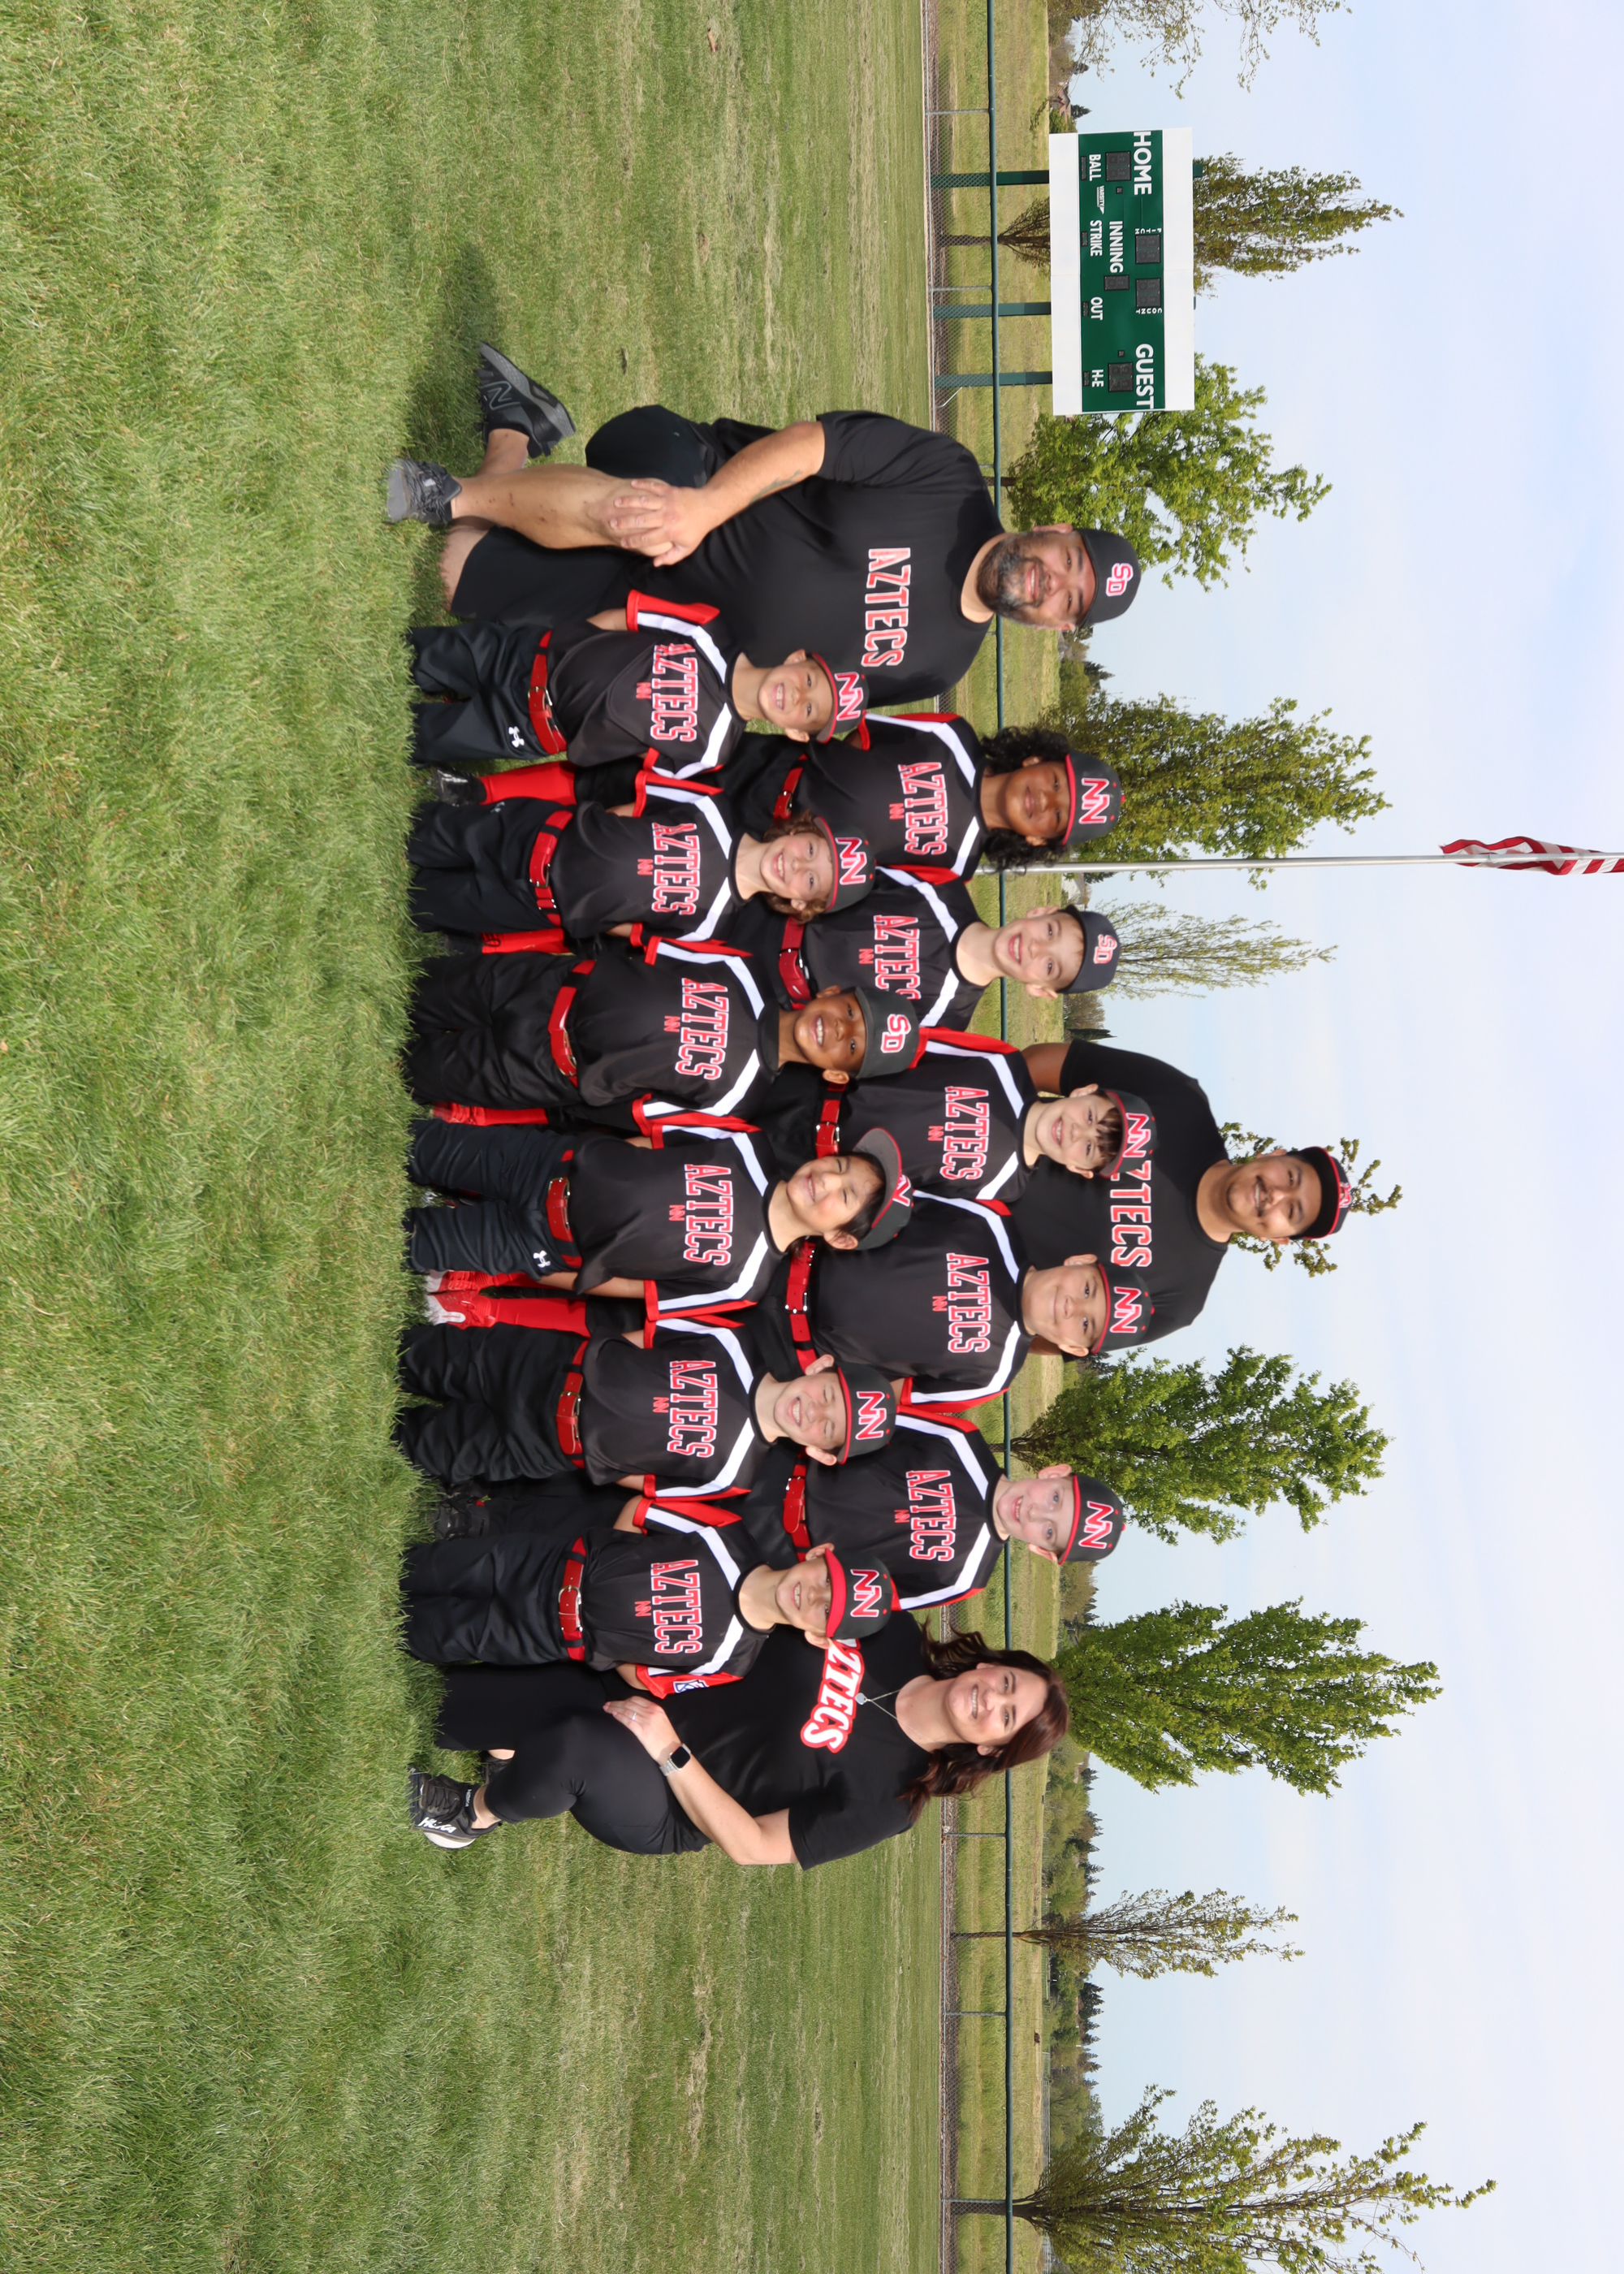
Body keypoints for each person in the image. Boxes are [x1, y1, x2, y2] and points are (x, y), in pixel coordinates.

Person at [387, 356, 1144, 703]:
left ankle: (518, 428)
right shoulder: (949, 478)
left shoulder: (939, 669)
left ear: (1057, 625)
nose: (1052, 581)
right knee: (645, 523)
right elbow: (812, 445)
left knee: (455, 578)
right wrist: (702, 510)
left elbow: (807, 699)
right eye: (1069, 558)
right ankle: (441, 494)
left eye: (1070, 599)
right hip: (689, 481)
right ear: (1054, 528)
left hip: (661, 617)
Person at [408, 1613, 1069, 1865]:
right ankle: (509, 1752)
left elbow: (753, 1846)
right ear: (992, 1665)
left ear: (992, 1749)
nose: (993, 1700)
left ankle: (473, 1814)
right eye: (1007, 1683)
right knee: (444, 1702)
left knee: (574, 1748)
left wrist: (670, 1751)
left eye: (1007, 1717)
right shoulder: (890, 1631)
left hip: (668, 1794)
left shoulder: (892, 1801)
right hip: (653, 1690)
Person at [401, 1489, 897, 1696]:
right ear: (819, 1554)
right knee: (427, 1570)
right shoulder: (727, 1534)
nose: (814, 1597)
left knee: (435, 1635)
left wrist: (607, 1638)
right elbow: (642, 1510)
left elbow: (645, 1680)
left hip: (547, 1638)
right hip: (547, 1563)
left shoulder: (733, 1662)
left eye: (827, 1613)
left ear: (819, 1638)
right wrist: (611, 1560)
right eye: (826, 1581)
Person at [1016, 1040, 1355, 1340]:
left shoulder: (1179, 1300)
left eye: (1292, 1211)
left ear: (1279, 1238)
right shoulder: (1180, 1100)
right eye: (1292, 1177)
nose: (1277, 1195)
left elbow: (1054, 1337)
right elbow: (1044, 1064)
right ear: (1274, 1155)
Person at [403, 1116, 901, 1311]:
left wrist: (544, 1267)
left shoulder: (745, 1284)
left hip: (543, 1244)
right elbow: (649, 1145)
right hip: (543, 1163)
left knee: (409, 1243)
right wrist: (580, 1157)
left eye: (845, 1196)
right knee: (418, 1145)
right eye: (840, 1165)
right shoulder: (748, 1144)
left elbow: (633, 1287)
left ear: (840, 1237)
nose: (827, 1179)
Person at [403, 939, 904, 1128]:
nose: (839, 1028)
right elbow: (648, 950)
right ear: (832, 991)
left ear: (837, 1075)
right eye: (850, 1011)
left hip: (544, 1067)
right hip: (544, 984)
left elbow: (633, 1112)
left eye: (851, 1046)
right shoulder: (742, 967)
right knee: (410, 988)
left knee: (409, 1070)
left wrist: (569, 1083)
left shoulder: (739, 1102)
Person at [744, 1181, 1153, 1409]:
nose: (1071, 1306)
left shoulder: (991, 1378)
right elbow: (886, 1198)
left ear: (1073, 1348)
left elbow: (885, 1398)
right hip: (783, 1251)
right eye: (1087, 1289)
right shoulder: (990, 1221)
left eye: (1086, 1323)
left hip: (782, 1353)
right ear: (1080, 1261)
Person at [395, 1312, 901, 1494]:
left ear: (820, 1452)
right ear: (819, 1366)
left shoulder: (735, 1477)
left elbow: (646, 1480)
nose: (814, 1412)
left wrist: (590, 1452)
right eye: (828, 1395)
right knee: (414, 1355)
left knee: (413, 1448)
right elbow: (646, 1340)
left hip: (545, 1446)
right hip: (547, 1366)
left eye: (828, 1428)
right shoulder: (734, 1341)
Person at [406, 772, 875, 949]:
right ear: (799, 829)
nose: (797, 867)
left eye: (810, 882)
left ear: (799, 904)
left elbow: (632, 930)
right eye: (810, 851)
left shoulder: (710, 928)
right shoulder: (713, 806)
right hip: (539, 833)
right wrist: (588, 843)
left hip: (539, 904)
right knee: (421, 834)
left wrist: (584, 903)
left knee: (417, 903)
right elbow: (636, 807)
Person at [406, 591, 867, 772]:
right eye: (809, 679)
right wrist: (565, 649)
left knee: (416, 736)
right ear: (797, 658)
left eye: (809, 710)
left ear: (796, 732)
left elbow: (631, 763)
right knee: (417, 655)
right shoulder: (709, 630)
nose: (798, 695)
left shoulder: (712, 753)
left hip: (536, 727)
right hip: (532, 656)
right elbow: (625, 618)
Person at [716, 1415, 1127, 1611]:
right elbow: (857, 1421)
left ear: (1041, 1551)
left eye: (1050, 1532)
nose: (1036, 1513)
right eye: (1055, 1498)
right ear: (1053, 1473)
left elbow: (860, 1606)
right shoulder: (960, 1440)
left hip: (775, 1557)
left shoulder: (963, 1578)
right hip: (771, 1469)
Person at [758, 1028, 1152, 1205]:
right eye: (1090, 1115)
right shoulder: (1003, 1064)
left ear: (1080, 1169)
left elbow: (909, 1204)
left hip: (809, 1173)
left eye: (1088, 1148)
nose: (1076, 1132)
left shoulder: (1002, 1191)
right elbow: (910, 1045)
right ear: (1083, 1091)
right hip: (808, 1089)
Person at [719, 713, 1121, 880]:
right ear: (1036, 760)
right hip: (763, 767)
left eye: (1057, 817)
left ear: (1038, 840)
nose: (1046, 800)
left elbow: (875, 880)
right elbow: (865, 734)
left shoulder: (957, 866)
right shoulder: (952, 735)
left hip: (769, 856)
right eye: (1056, 783)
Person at [730, 879, 1123, 1032]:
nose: (1036, 947)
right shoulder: (942, 887)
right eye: (1050, 931)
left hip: (761, 1006)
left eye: (1050, 966)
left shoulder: (946, 1023)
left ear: (1040, 990)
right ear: (1041, 912)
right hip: (760, 915)